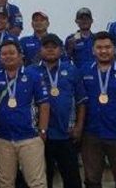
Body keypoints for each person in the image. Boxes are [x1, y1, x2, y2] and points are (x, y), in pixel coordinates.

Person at [80, 31, 116, 188]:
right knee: (92, 180)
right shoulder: (84, 71)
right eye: (99, 47)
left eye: (107, 47)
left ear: (115, 49)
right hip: (91, 134)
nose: (103, 51)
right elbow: (79, 103)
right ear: (93, 50)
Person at [0, 39, 49, 188]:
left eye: (11, 53)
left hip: (29, 137)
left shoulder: (33, 76)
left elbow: (44, 104)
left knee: (36, 182)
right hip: (2, 138)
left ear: (20, 55)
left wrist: (42, 130)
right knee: (5, 182)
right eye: (4, 54)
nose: (8, 56)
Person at [36, 34, 85, 188]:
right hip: (41, 136)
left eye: (54, 46)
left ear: (61, 50)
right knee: (44, 180)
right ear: (40, 50)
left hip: (67, 135)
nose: (50, 49)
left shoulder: (71, 70)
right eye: (46, 46)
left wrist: (79, 127)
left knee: (72, 180)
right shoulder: (31, 72)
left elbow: (81, 101)